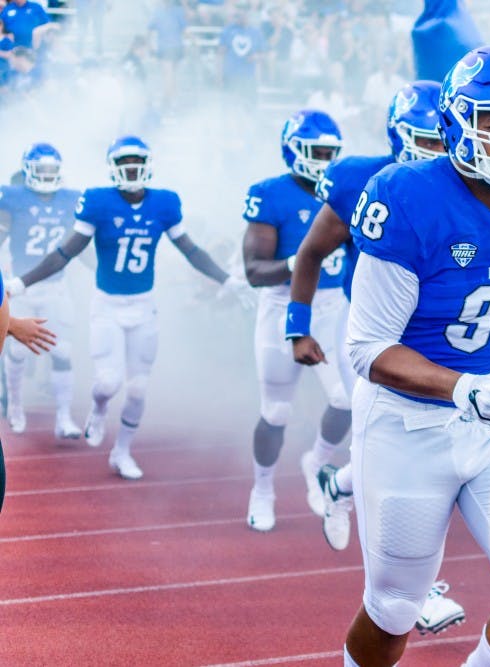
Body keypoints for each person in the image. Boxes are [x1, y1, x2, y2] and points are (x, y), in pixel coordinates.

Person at [336, 46, 490, 667]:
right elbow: (367, 348)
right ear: (454, 122)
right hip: (407, 422)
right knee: (395, 606)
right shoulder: (407, 195)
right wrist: (461, 387)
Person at [287, 79, 466, 636]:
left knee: (437, 452)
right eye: (426, 140)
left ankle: (338, 485)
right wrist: (297, 327)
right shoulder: (363, 181)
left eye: (443, 140)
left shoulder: (470, 182)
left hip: (445, 335)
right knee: (405, 458)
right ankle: (417, 588)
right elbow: (310, 253)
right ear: (398, 135)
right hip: (378, 332)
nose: (437, 152)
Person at [6, 135, 248, 481]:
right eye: (124, 163)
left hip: (143, 306)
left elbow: (191, 251)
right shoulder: (98, 201)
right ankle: (98, 409)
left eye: (137, 163)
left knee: (137, 389)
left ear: (147, 165)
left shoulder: (165, 203)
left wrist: (227, 280)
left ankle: (122, 451)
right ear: (113, 167)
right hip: (107, 306)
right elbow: (66, 252)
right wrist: (22, 283)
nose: (132, 169)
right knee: (107, 383)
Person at [241, 108, 351, 532]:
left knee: (345, 399)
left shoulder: (346, 189)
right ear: (293, 150)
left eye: (329, 152)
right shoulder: (270, 194)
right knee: (277, 410)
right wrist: (305, 260)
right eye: (315, 151)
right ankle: (262, 489)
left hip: (334, 306)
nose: (324, 160)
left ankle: (317, 461)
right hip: (282, 304)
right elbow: (255, 271)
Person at [0, 142, 83, 438]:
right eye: (41, 169)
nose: (47, 174)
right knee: (18, 351)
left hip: (55, 287)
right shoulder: (13, 198)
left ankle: (64, 418)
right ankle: (15, 407)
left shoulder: (71, 199)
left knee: (62, 350)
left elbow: (79, 244)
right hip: (20, 287)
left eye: (51, 169)